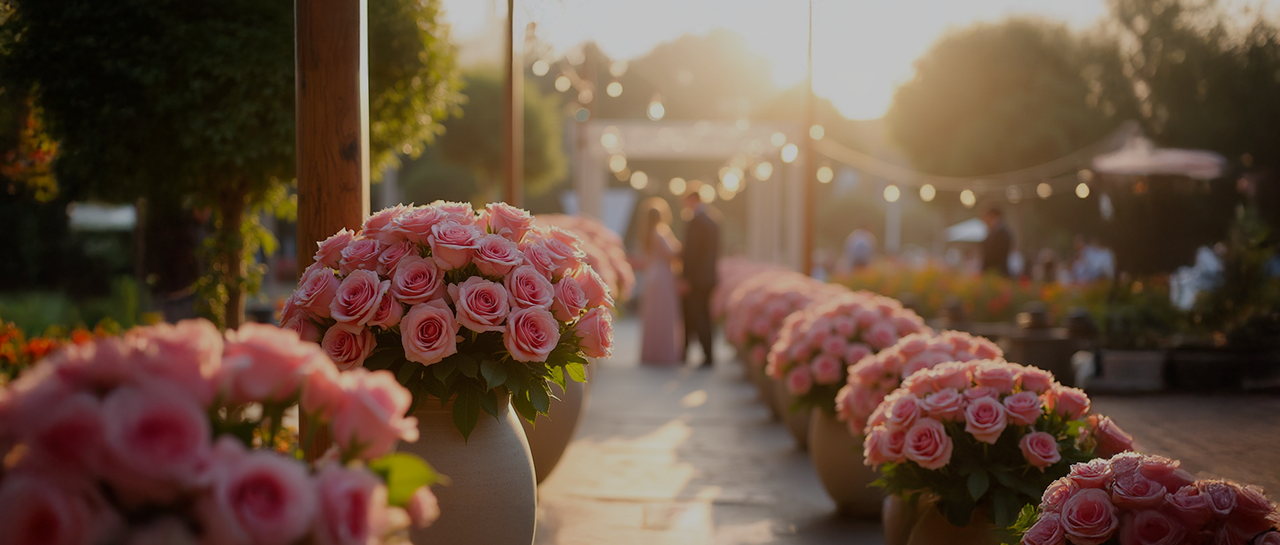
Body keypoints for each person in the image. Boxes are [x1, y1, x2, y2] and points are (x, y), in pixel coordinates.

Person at [637, 198, 684, 366]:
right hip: (663, 275)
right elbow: (671, 253)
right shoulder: (661, 231)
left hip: (652, 275)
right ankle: (664, 353)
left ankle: (652, 352)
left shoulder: (649, 232)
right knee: (664, 315)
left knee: (653, 315)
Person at [680, 191, 720, 368]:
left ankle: (701, 354)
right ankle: (708, 353)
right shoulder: (713, 220)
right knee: (704, 315)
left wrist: (685, 277)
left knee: (695, 316)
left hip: (696, 279)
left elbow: (692, 253)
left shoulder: (696, 222)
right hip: (708, 278)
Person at [980, 206, 1012, 276]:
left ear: (992, 216)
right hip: (993, 272)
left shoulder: (1002, 234)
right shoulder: (994, 232)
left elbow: (996, 256)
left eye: (986, 217)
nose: (985, 221)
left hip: (997, 273)